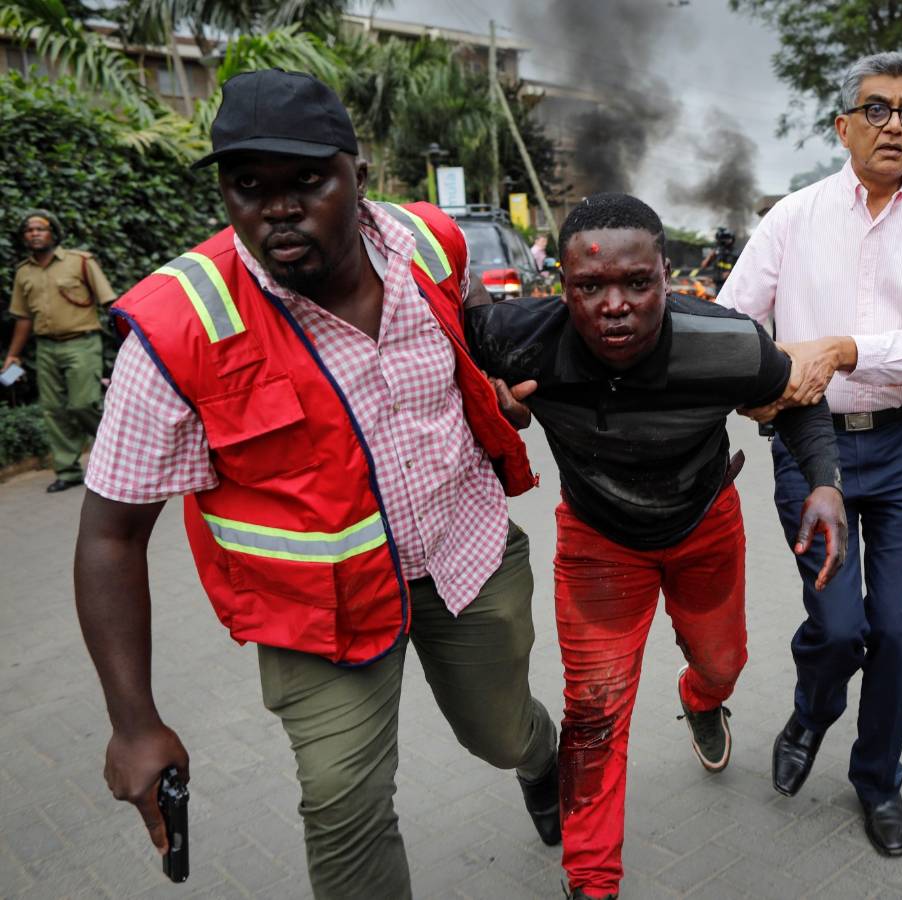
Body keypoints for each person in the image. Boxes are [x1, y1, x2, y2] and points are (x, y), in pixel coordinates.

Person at [73, 69, 559, 900]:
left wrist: (491, 381)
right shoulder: (179, 325)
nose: (278, 208)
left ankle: (541, 763)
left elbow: (470, 318)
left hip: (466, 555)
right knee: (342, 803)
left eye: (306, 180)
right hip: (317, 612)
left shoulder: (428, 242)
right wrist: (133, 722)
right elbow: (109, 537)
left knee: (502, 734)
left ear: (357, 177)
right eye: (247, 185)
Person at [467, 193, 847, 899]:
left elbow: (799, 401)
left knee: (724, 663)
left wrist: (825, 482)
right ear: (561, 285)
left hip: (705, 528)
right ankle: (591, 881)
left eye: (637, 283)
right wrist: (483, 393)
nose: (615, 306)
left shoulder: (726, 341)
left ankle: (701, 699)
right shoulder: (519, 338)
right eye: (590, 287)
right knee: (594, 713)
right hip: (598, 544)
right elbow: (434, 335)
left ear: (667, 279)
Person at [718, 51, 902, 858]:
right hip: (811, 448)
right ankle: (812, 712)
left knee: (899, 632)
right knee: (837, 631)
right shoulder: (792, 218)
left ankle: (877, 780)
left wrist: (838, 348)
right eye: (876, 108)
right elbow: (732, 319)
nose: (893, 123)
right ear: (843, 126)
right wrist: (751, 380)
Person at [4, 209, 115, 492]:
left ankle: (119, 448)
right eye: (29, 230)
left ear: (53, 233)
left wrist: (131, 338)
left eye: (40, 229)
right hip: (46, 347)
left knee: (82, 404)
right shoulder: (23, 272)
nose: (34, 234)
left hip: (82, 343)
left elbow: (109, 302)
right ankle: (68, 471)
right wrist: (13, 355)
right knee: (53, 410)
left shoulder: (80, 262)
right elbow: (23, 318)